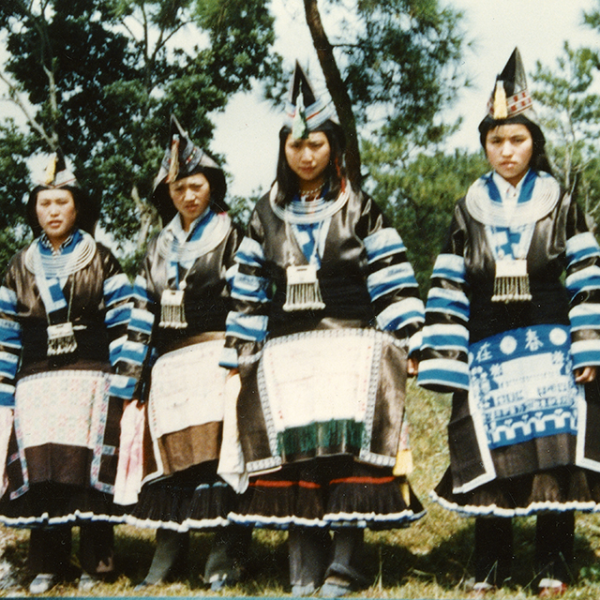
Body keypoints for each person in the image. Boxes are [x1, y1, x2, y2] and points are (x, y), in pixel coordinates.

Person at [221, 62, 426, 597]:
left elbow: (391, 278)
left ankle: (345, 563)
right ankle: (304, 565)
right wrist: (239, 355)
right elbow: (248, 291)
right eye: (296, 145)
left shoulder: (360, 208)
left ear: (332, 147)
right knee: (298, 457)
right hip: (286, 355)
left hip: (352, 350)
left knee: (343, 454)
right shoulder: (264, 215)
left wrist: (410, 339)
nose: (306, 155)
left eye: (315, 144)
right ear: (283, 150)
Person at [418, 48, 600, 598]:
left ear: (534, 144)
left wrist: (587, 345)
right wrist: (444, 356)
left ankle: (554, 561)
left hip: (551, 345)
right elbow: (448, 282)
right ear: (485, 146)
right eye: (496, 141)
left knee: (552, 451)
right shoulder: (467, 208)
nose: (506, 150)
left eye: (517, 140)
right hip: (487, 345)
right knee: (490, 451)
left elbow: (586, 274)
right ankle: (490, 562)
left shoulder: (561, 202)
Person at [114, 116, 250, 591]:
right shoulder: (157, 246)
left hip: (218, 359)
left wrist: (240, 360)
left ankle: (225, 552)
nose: (189, 196)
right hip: (170, 368)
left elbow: (248, 301)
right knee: (172, 461)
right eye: (179, 189)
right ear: (167, 194)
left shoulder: (233, 235)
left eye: (197, 186)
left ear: (211, 186)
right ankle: (168, 551)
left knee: (219, 458)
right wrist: (132, 379)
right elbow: (142, 311)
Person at [0, 151, 131, 594]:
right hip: (36, 384)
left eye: (61, 202)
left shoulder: (103, 259)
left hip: (90, 379)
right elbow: (6, 337)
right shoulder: (18, 267)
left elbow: (123, 323)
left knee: (87, 471)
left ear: (77, 207)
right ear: (34, 209)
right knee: (45, 472)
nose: (53, 211)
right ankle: (47, 562)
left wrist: (125, 383)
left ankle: (97, 562)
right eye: (44, 203)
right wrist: (3, 396)